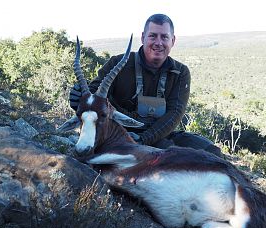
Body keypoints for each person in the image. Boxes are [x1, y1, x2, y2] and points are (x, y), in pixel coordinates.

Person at [69, 13, 222, 157]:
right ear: (143, 38)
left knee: (211, 152)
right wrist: (81, 98)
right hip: (119, 132)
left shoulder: (180, 72)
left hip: (158, 132)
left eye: (164, 37)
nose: (158, 43)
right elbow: (95, 95)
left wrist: (144, 139)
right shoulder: (118, 63)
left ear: (173, 41)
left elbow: (174, 115)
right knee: (163, 160)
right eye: (153, 36)